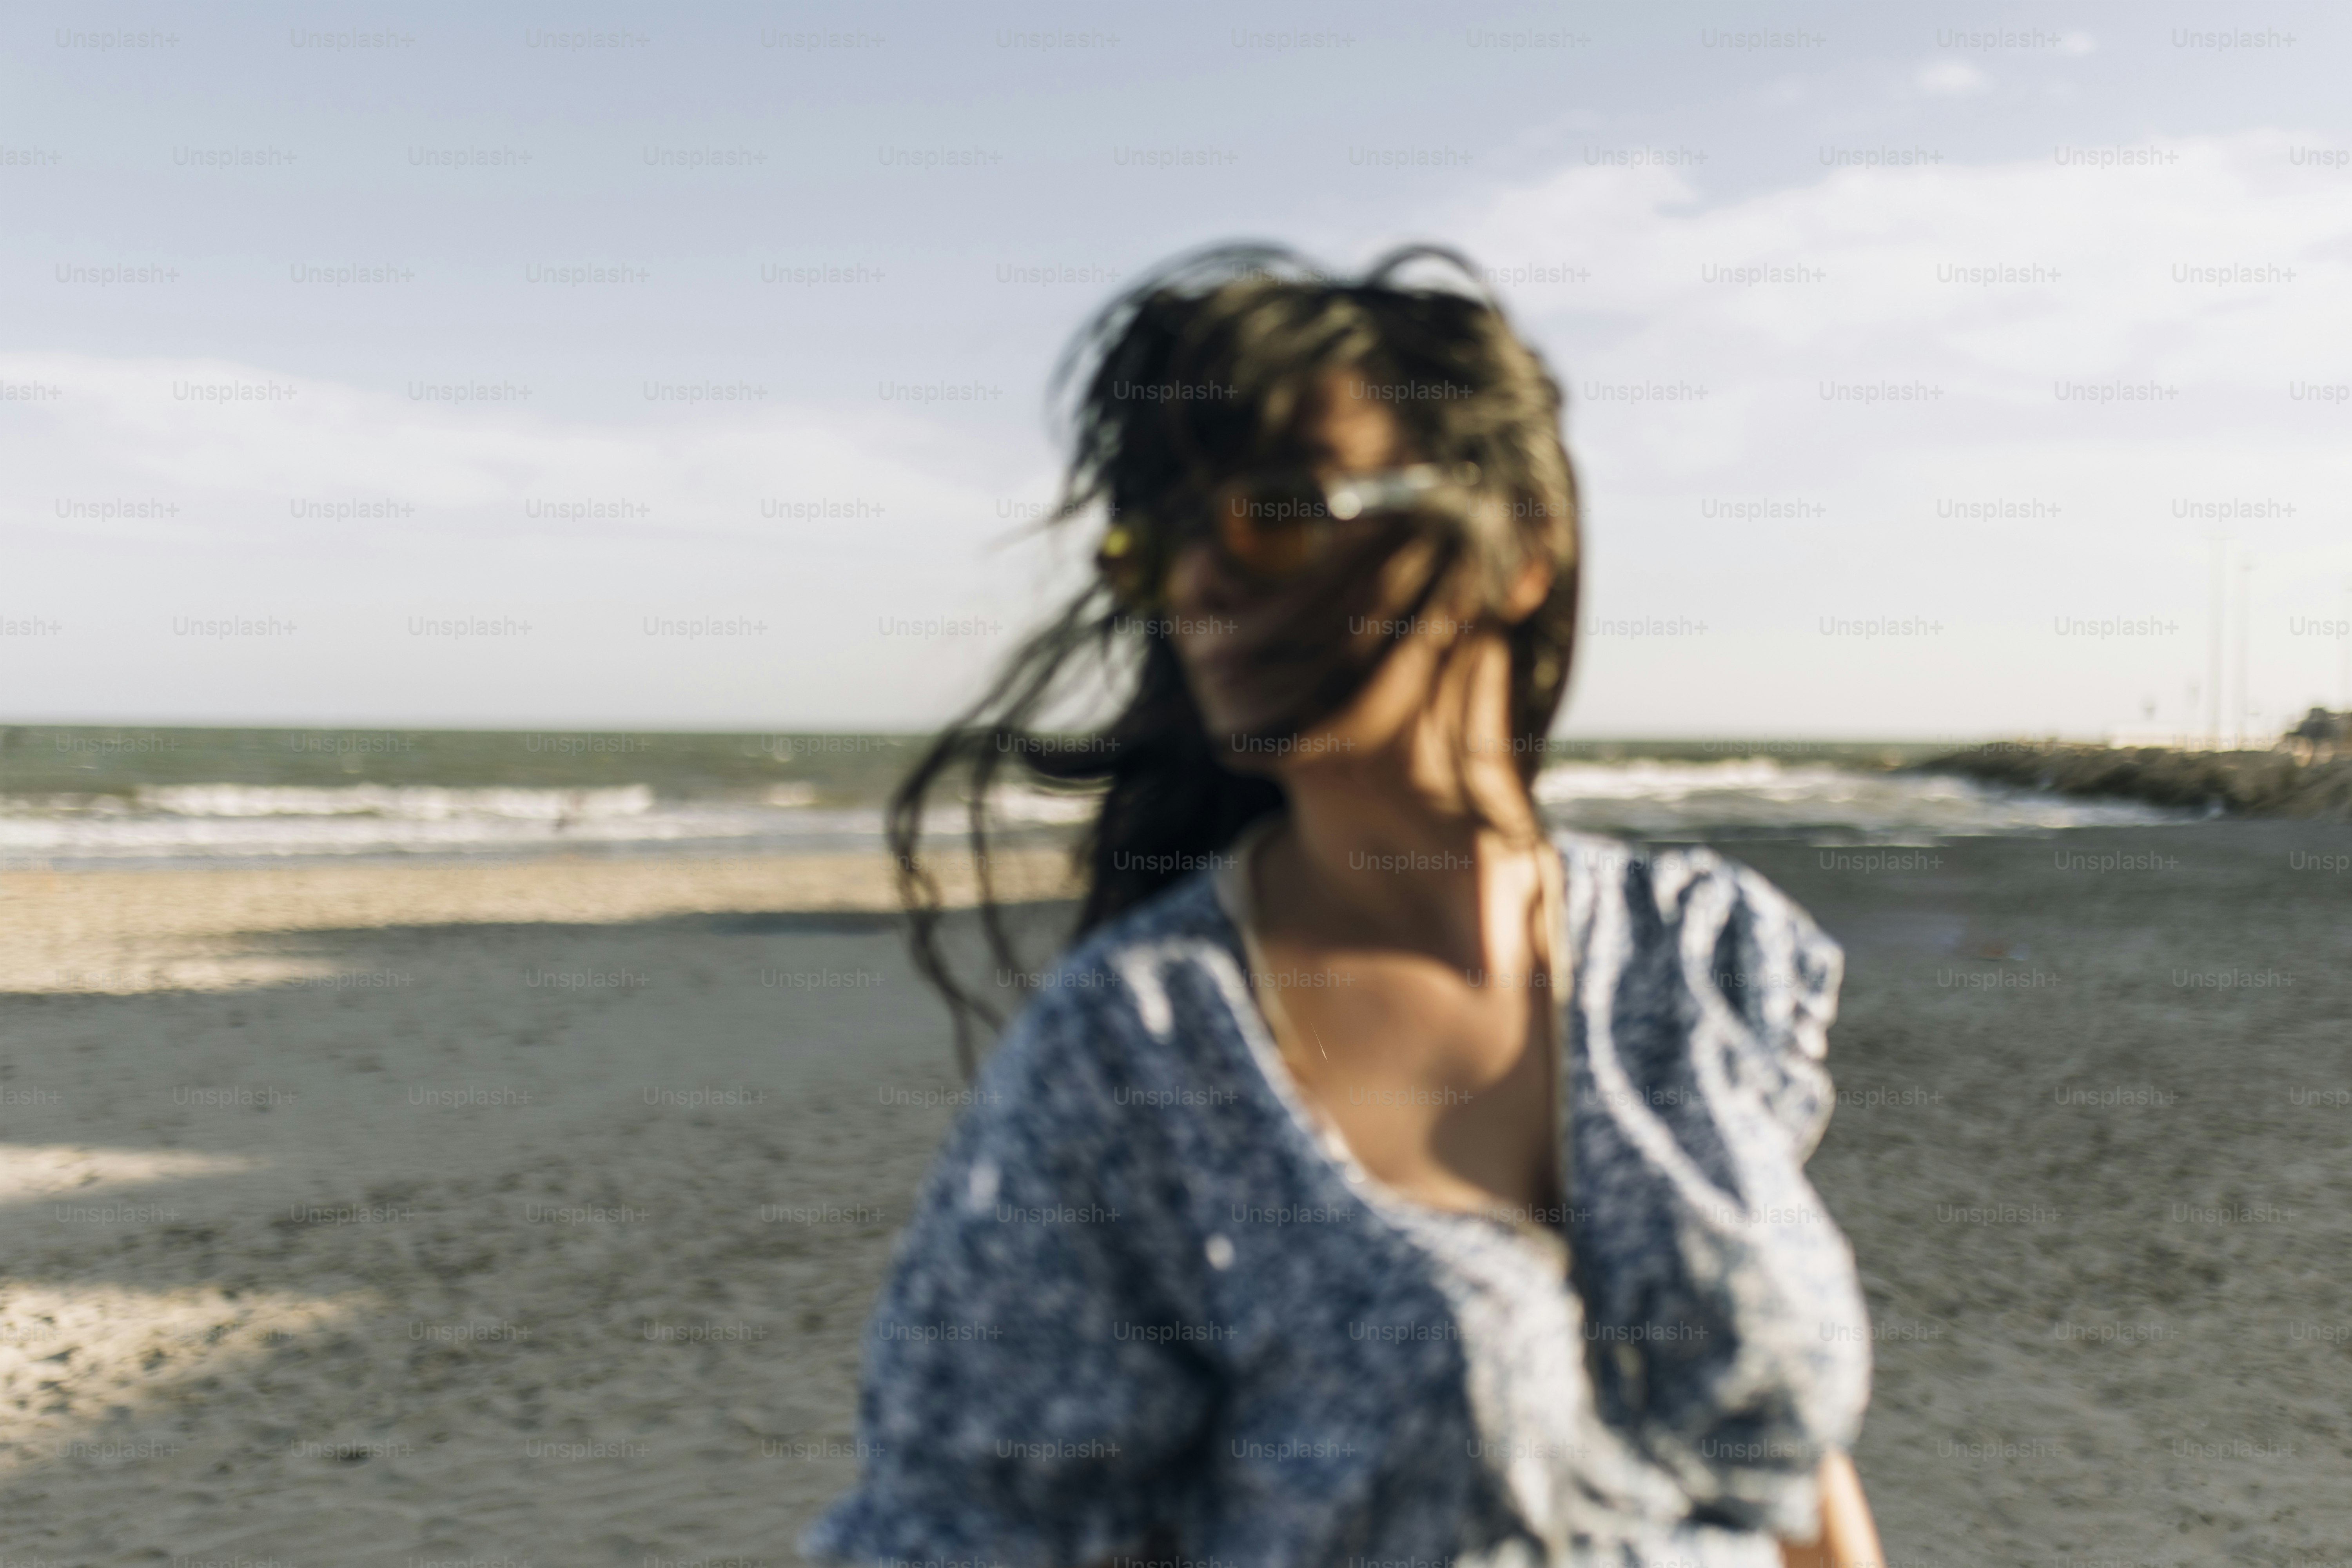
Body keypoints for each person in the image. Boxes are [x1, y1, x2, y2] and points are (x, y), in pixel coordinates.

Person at [805, 244, 1882, 1568]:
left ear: (1521, 547)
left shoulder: (1706, 956)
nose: (1203, 579)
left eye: (1275, 513)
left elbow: (1786, 1469)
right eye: (1163, 543)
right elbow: (957, 1534)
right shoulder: (1144, 1055)